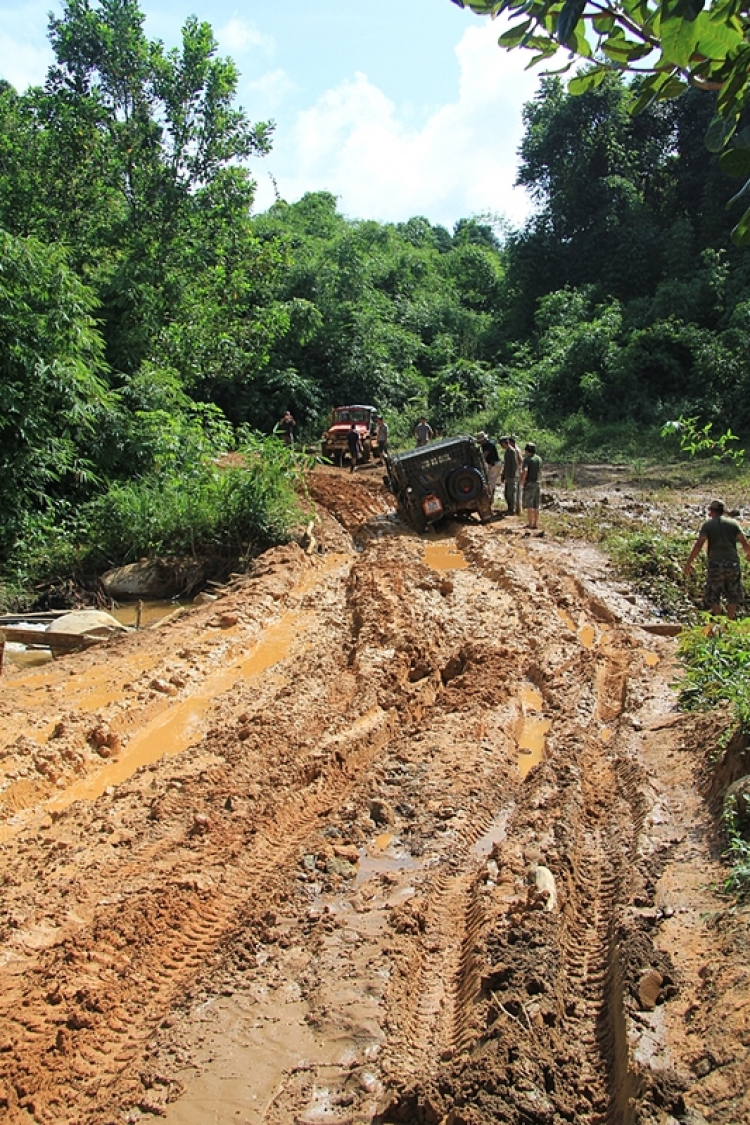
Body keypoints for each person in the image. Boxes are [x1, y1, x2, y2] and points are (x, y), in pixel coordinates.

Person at [683, 499, 750, 619]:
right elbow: (744, 542)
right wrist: (748, 553)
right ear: (723, 511)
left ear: (712, 512)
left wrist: (689, 562)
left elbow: (699, 544)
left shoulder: (708, 526)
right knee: (733, 594)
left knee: (712, 595)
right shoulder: (733, 524)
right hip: (732, 563)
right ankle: (730, 621)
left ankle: (719, 619)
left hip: (715, 564)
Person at [520, 442, 542, 529]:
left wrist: (523, 480)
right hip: (537, 482)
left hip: (530, 483)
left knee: (530, 504)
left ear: (527, 450)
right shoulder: (538, 459)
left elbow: (525, 470)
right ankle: (536, 523)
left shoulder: (527, 459)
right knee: (536, 505)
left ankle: (530, 523)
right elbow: (540, 471)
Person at [476, 432, 500, 500]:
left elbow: (484, 455)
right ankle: (490, 497)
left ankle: (491, 498)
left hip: (494, 464)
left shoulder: (489, 444)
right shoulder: (485, 444)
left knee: (491, 482)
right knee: (489, 481)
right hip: (491, 464)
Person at [499, 436, 517, 515]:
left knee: (511, 493)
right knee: (506, 493)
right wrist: (503, 475)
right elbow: (506, 465)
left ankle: (512, 509)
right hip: (507, 475)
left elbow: (514, 464)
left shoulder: (512, 451)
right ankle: (509, 508)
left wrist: (512, 476)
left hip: (511, 476)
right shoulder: (507, 452)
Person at [509, 436, 523, 516]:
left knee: (517, 491)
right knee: (517, 491)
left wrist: (516, 468)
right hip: (517, 471)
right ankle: (517, 509)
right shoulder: (516, 449)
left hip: (517, 471)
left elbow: (520, 460)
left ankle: (517, 509)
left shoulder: (516, 450)